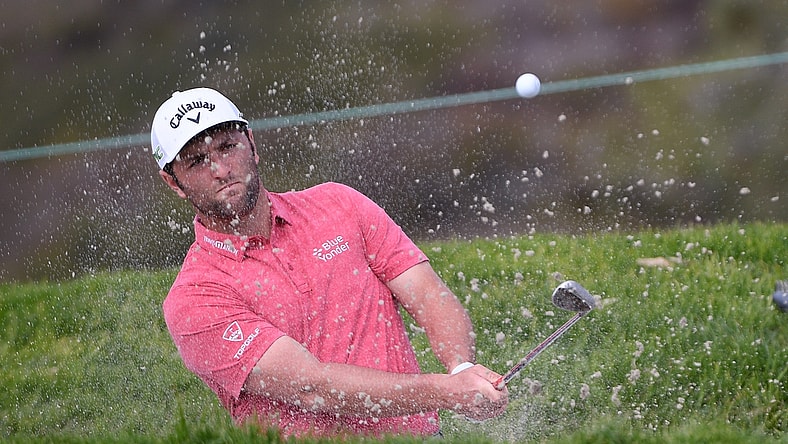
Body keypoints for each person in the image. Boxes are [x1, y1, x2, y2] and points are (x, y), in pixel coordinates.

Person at [150, 87, 508, 438]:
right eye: (197, 161)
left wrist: (462, 369)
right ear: (173, 182)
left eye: (228, 146)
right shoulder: (194, 298)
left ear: (252, 145)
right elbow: (310, 386)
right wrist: (446, 391)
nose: (220, 169)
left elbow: (429, 295)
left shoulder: (338, 204)